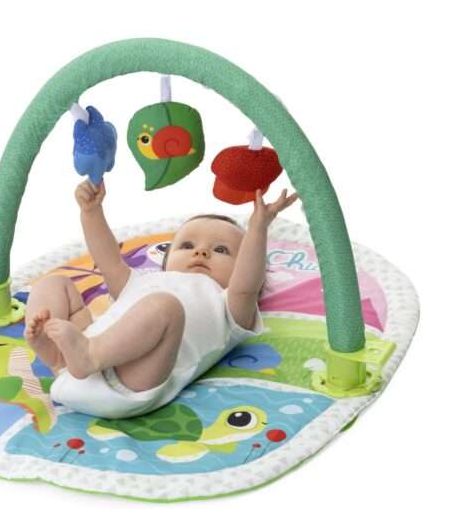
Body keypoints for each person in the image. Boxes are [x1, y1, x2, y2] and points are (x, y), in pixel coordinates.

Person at [24, 179, 298, 418]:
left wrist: (258, 228)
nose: (201, 252)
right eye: (187, 245)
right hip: (71, 370)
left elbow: (246, 285)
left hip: (129, 385)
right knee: (54, 283)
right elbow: (107, 260)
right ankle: (56, 353)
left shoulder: (229, 304)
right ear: (166, 261)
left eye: (221, 250)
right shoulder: (141, 283)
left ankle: (90, 355)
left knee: (166, 306)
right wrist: (91, 212)